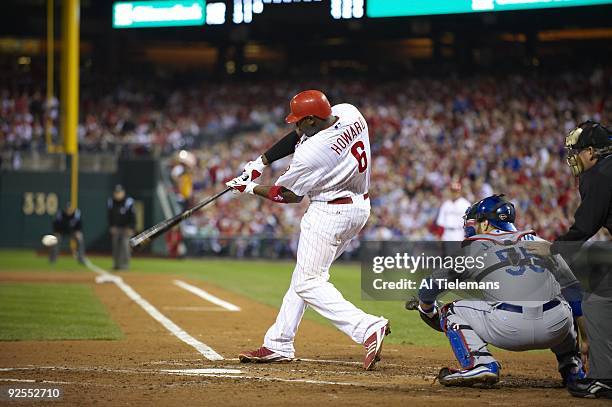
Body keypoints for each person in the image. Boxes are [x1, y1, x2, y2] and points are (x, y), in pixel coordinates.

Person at [226, 90, 390, 370]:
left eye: (299, 121)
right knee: (305, 274)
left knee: (308, 282)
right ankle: (279, 342)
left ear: (313, 120)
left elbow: (288, 195)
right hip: (358, 207)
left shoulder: (313, 153)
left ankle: (366, 327)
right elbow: (298, 137)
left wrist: (249, 188)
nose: (295, 126)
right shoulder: (350, 112)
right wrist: (260, 163)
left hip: (329, 213)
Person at [413, 195, 587, 387]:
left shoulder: (475, 248)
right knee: (563, 303)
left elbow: (429, 287)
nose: (471, 227)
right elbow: (575, 293)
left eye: (475, 223)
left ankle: (480, 363)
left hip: (508, 328)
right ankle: (572, 366)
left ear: (486, 224)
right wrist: (586, 339)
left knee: (451, 310)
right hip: (556, 327)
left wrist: (426, 309)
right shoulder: (542, 242)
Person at [527, 121, 612, 399]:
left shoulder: (600, 172)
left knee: (597, 301)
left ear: (590, 152)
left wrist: (553, 249)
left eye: (575, 152)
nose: (572, 158)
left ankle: (605, 379)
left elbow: (586, 225)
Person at [108, 184, 136, 270]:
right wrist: (111, 226)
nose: (118, 194)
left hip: (127, 228)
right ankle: (116, 264)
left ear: (123, 192)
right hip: (116, 228)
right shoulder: (111, 201)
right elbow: (109, 216)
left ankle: (125, 264)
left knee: (125, 245)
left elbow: (133, 216)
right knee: (115, 245)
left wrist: (131, 228)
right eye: (116, 192)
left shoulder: (129, 201)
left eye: (119, 192)